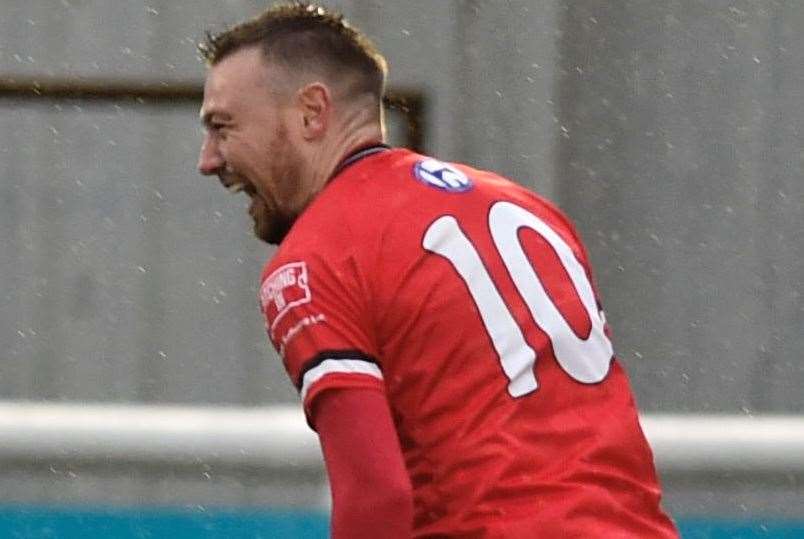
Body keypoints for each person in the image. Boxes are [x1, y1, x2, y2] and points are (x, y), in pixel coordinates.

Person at [197, 3, 679, 537]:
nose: (209, 158)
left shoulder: (315, 258)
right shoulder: (526, 207)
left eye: (223, 127)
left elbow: (376, 499)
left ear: (312, 112)